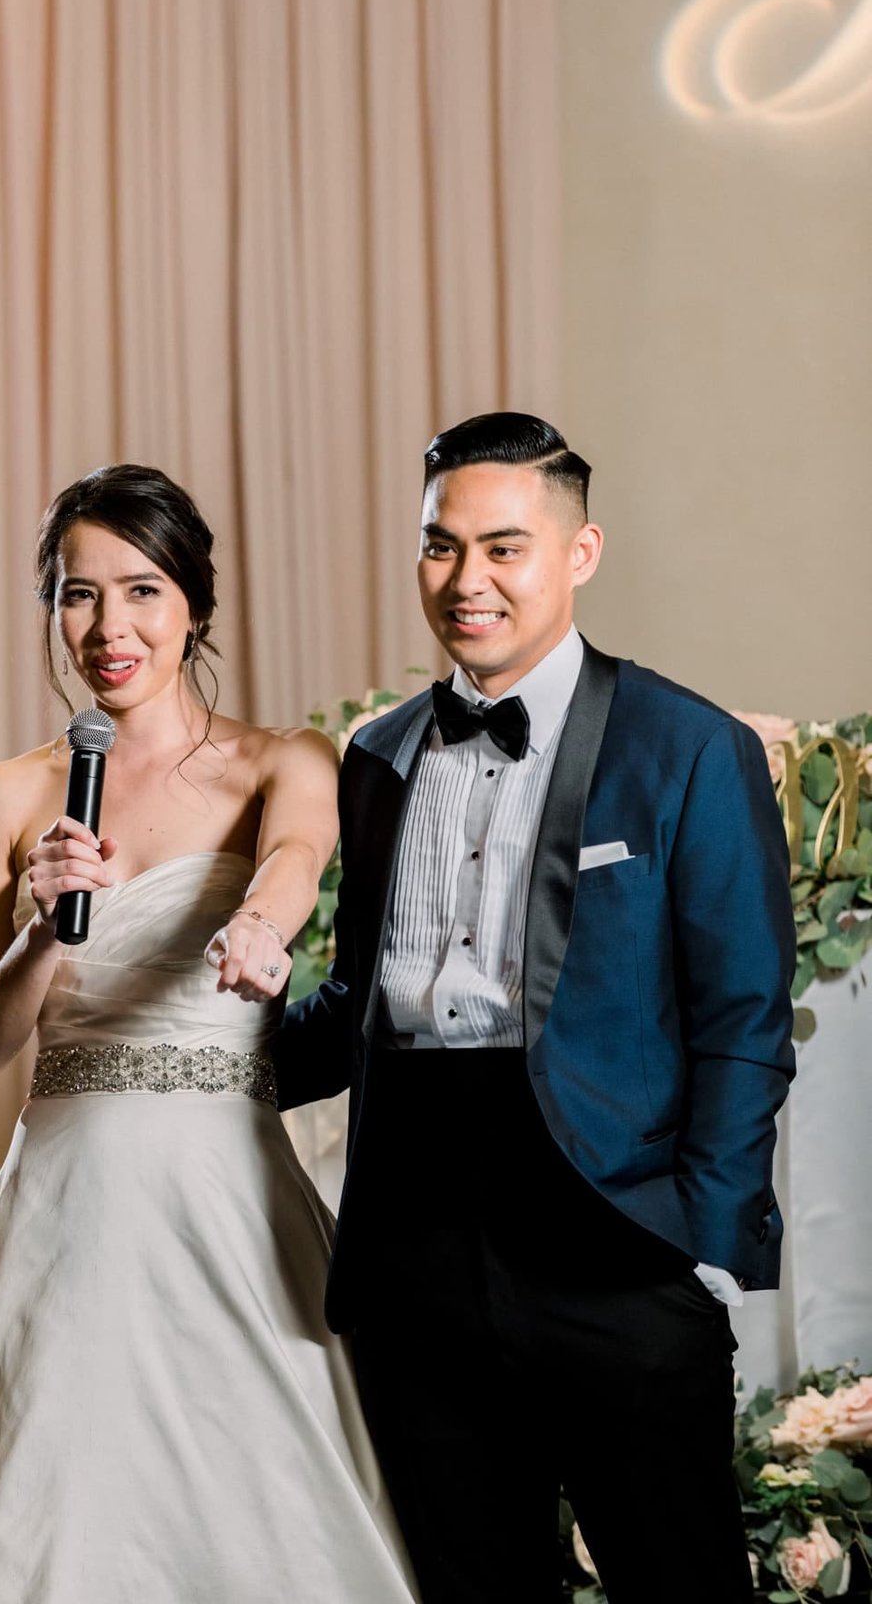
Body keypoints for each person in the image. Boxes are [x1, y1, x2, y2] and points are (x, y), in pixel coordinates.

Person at [0, 464, 416, 1604]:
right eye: (77, 594)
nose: (109, 627)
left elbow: (297, 858)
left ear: (193, 602)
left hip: (226, 1194)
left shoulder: (281, 760)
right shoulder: (8, 796)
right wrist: (42, 934)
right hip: (65, 1197)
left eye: (141, 591)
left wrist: (259, 925)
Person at [274, 413, 797, 1604]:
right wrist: (184, 1051)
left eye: (504, 547)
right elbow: (360, 995)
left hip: (616, 1249)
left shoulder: (690, 747)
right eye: (441, 547)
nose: (468, 582)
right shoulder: (379, 755)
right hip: (415, 1257)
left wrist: (704, 1261)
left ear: (582, 551)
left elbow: (743, 1017)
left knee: (681, 1586)